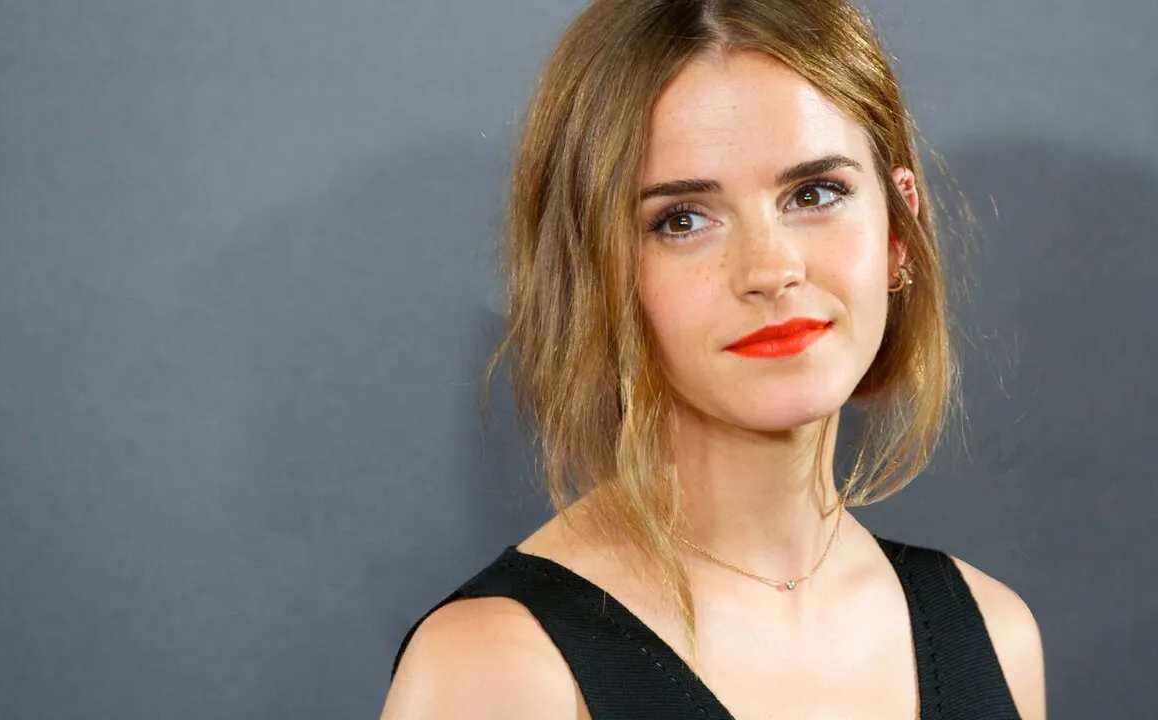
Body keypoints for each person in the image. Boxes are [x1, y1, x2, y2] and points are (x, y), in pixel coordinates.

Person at [380, 0, 1045, 718]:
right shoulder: (495, 669)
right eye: (682, 220)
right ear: (595, 274)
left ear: (897, 230)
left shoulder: (996, 633)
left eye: (815, 193)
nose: (770, 269)